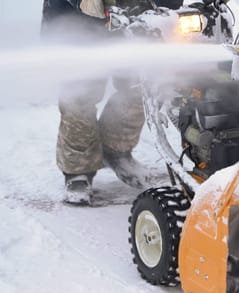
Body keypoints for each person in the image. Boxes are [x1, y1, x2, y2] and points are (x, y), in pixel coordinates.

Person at [41, 0, 183, 205]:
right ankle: (78, 171)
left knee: (141, 85)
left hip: (132, 15)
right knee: (80, 92)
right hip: (76, 18)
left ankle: (116, 151)